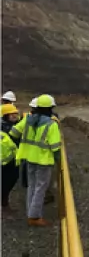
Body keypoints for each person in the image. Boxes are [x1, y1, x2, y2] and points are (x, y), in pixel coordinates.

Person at [10, 94, 61, 227]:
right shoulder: (51, 124)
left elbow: (13, 132)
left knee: (32, 186)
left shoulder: (28, 120)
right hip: (44, 161)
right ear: (50, 108)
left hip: (29, 158)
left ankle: (31, 213)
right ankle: (34, 217)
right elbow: (55, 147)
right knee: (40, 188)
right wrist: (58, 160)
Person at [1, 104, 20, 215]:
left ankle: (4, 204)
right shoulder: (7, 128)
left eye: (15, 114)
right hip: (5, 161)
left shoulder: (14, 125)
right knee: (5, 183)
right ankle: (4, 205)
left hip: (11, 160)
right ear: (5, 115)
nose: (14, 116)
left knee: (9, 181)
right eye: (11, 114)